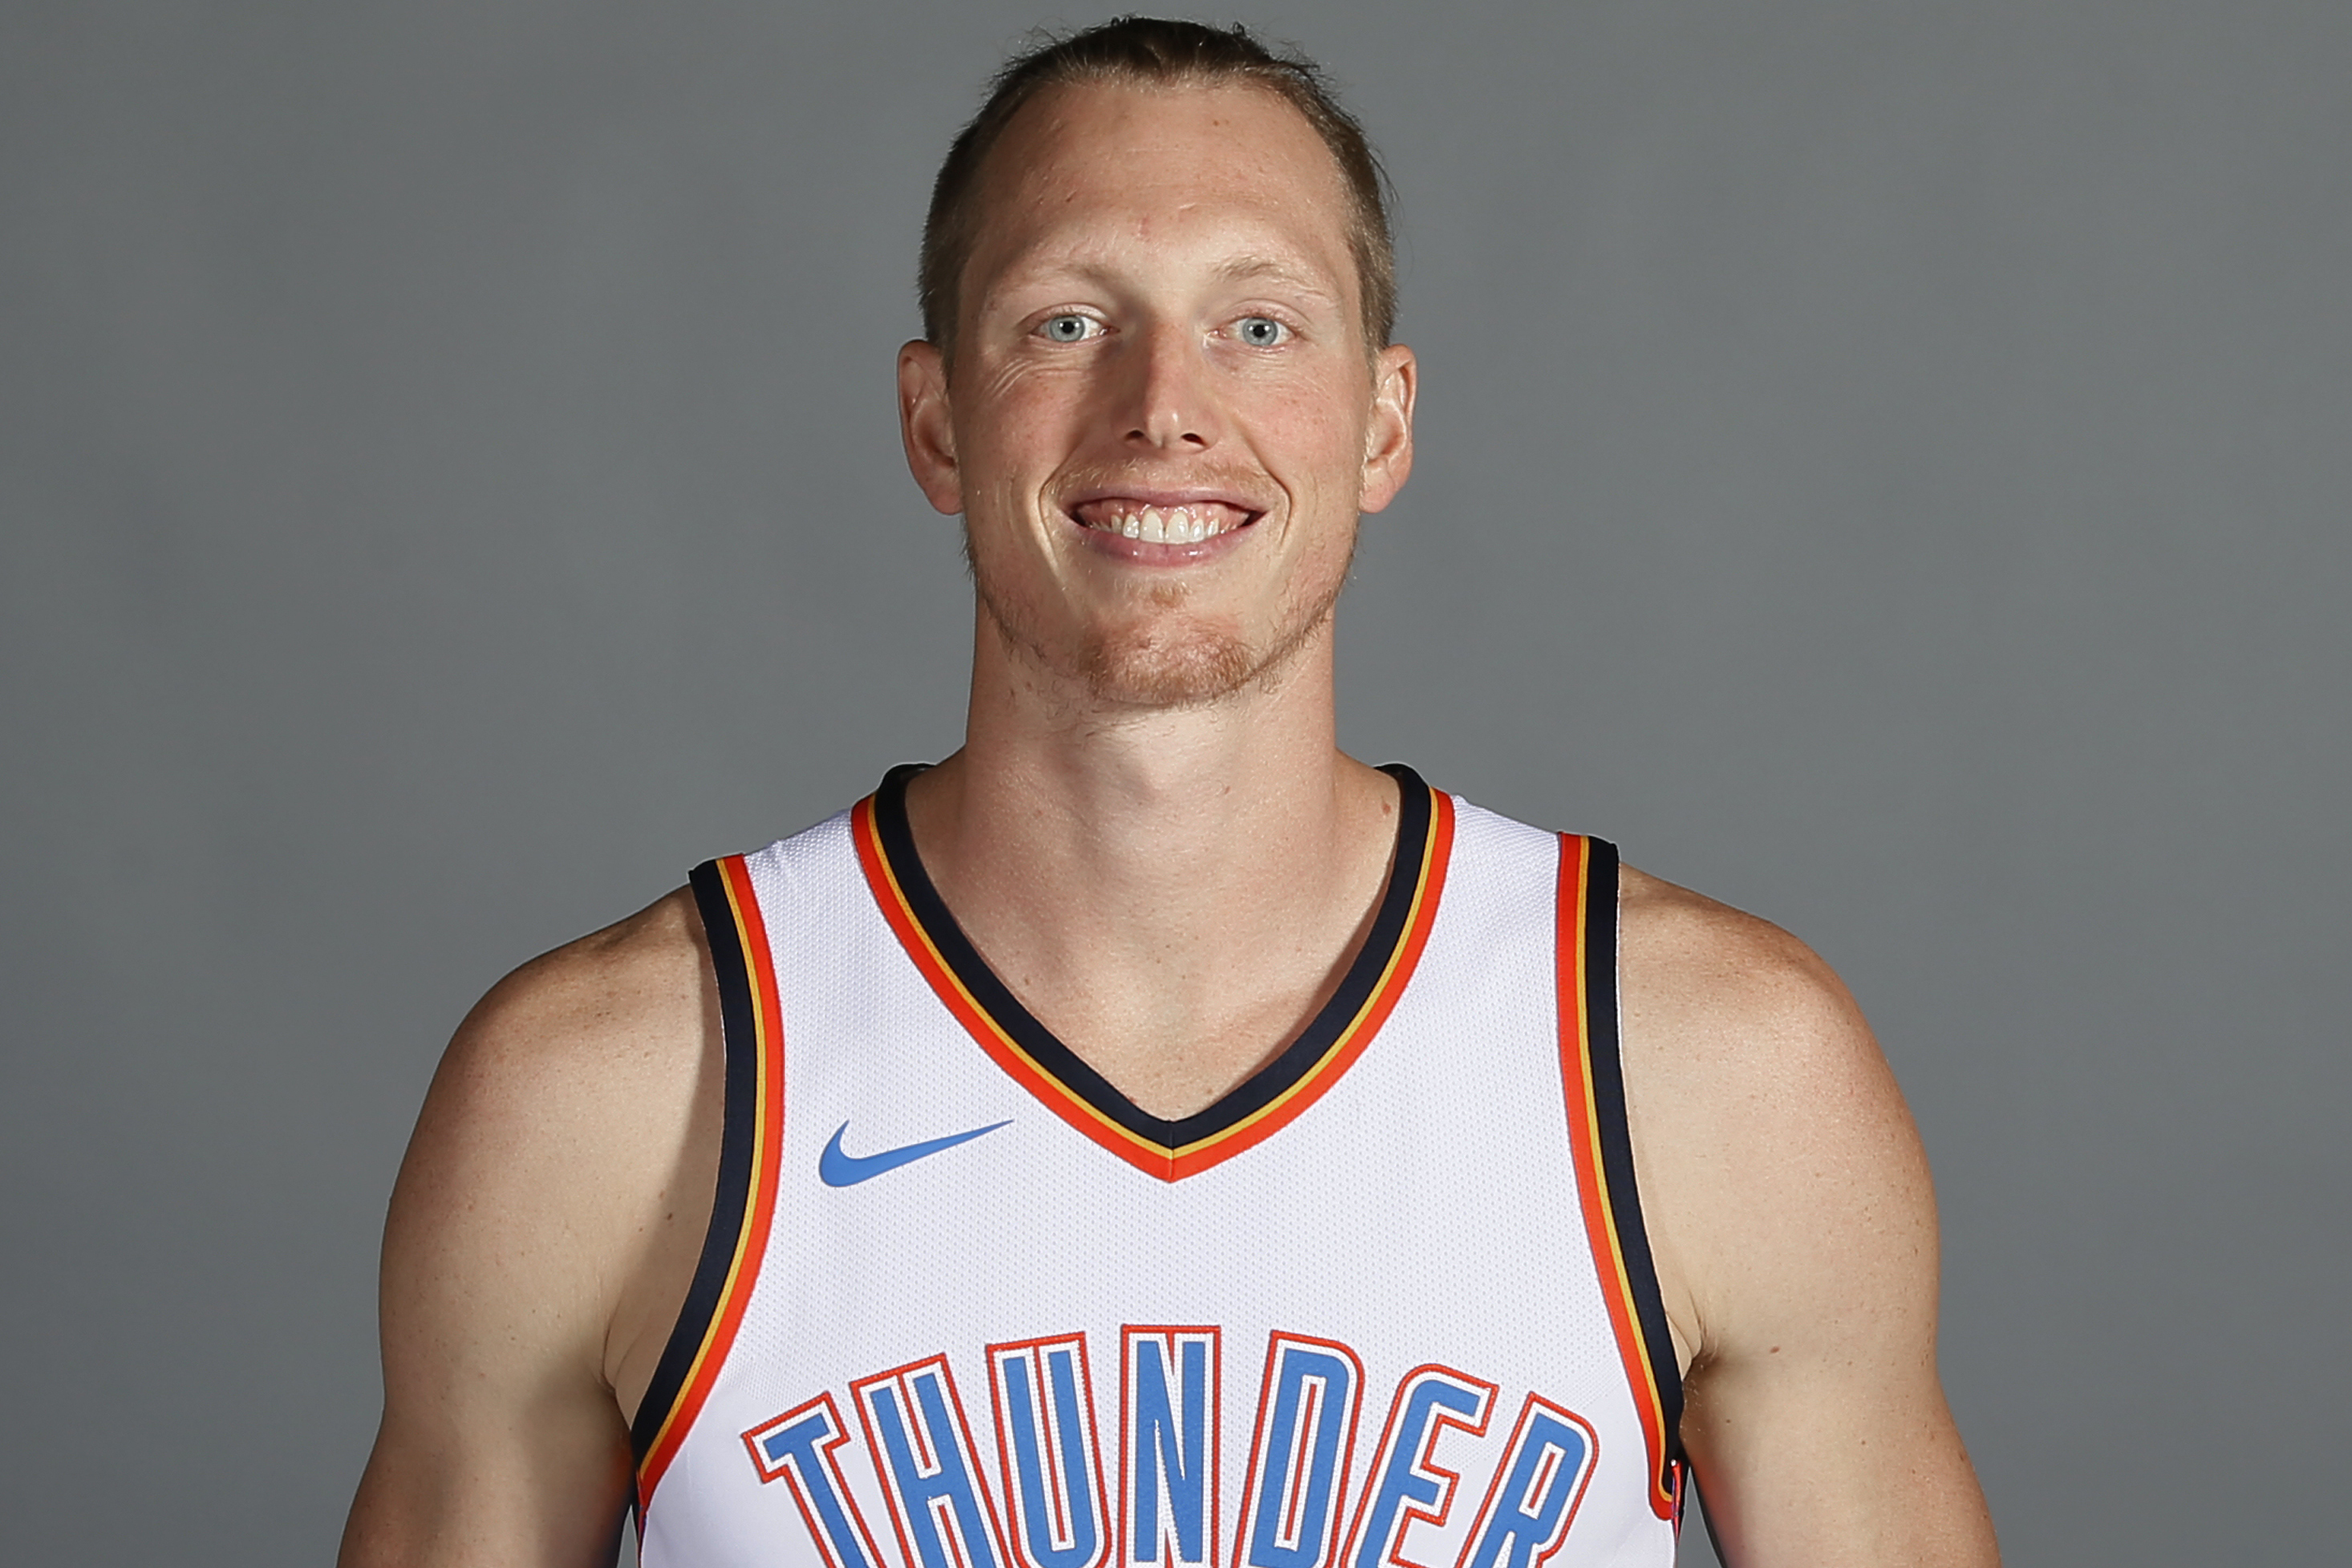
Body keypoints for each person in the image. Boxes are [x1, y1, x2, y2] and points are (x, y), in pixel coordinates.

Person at [339, 18, 1999, 1568]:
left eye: (1256, 325)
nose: (1160, 410)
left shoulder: (1705, 1070)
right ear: (933, 422)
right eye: (1066, 322)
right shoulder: (605, 1098)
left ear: (1379, 423)